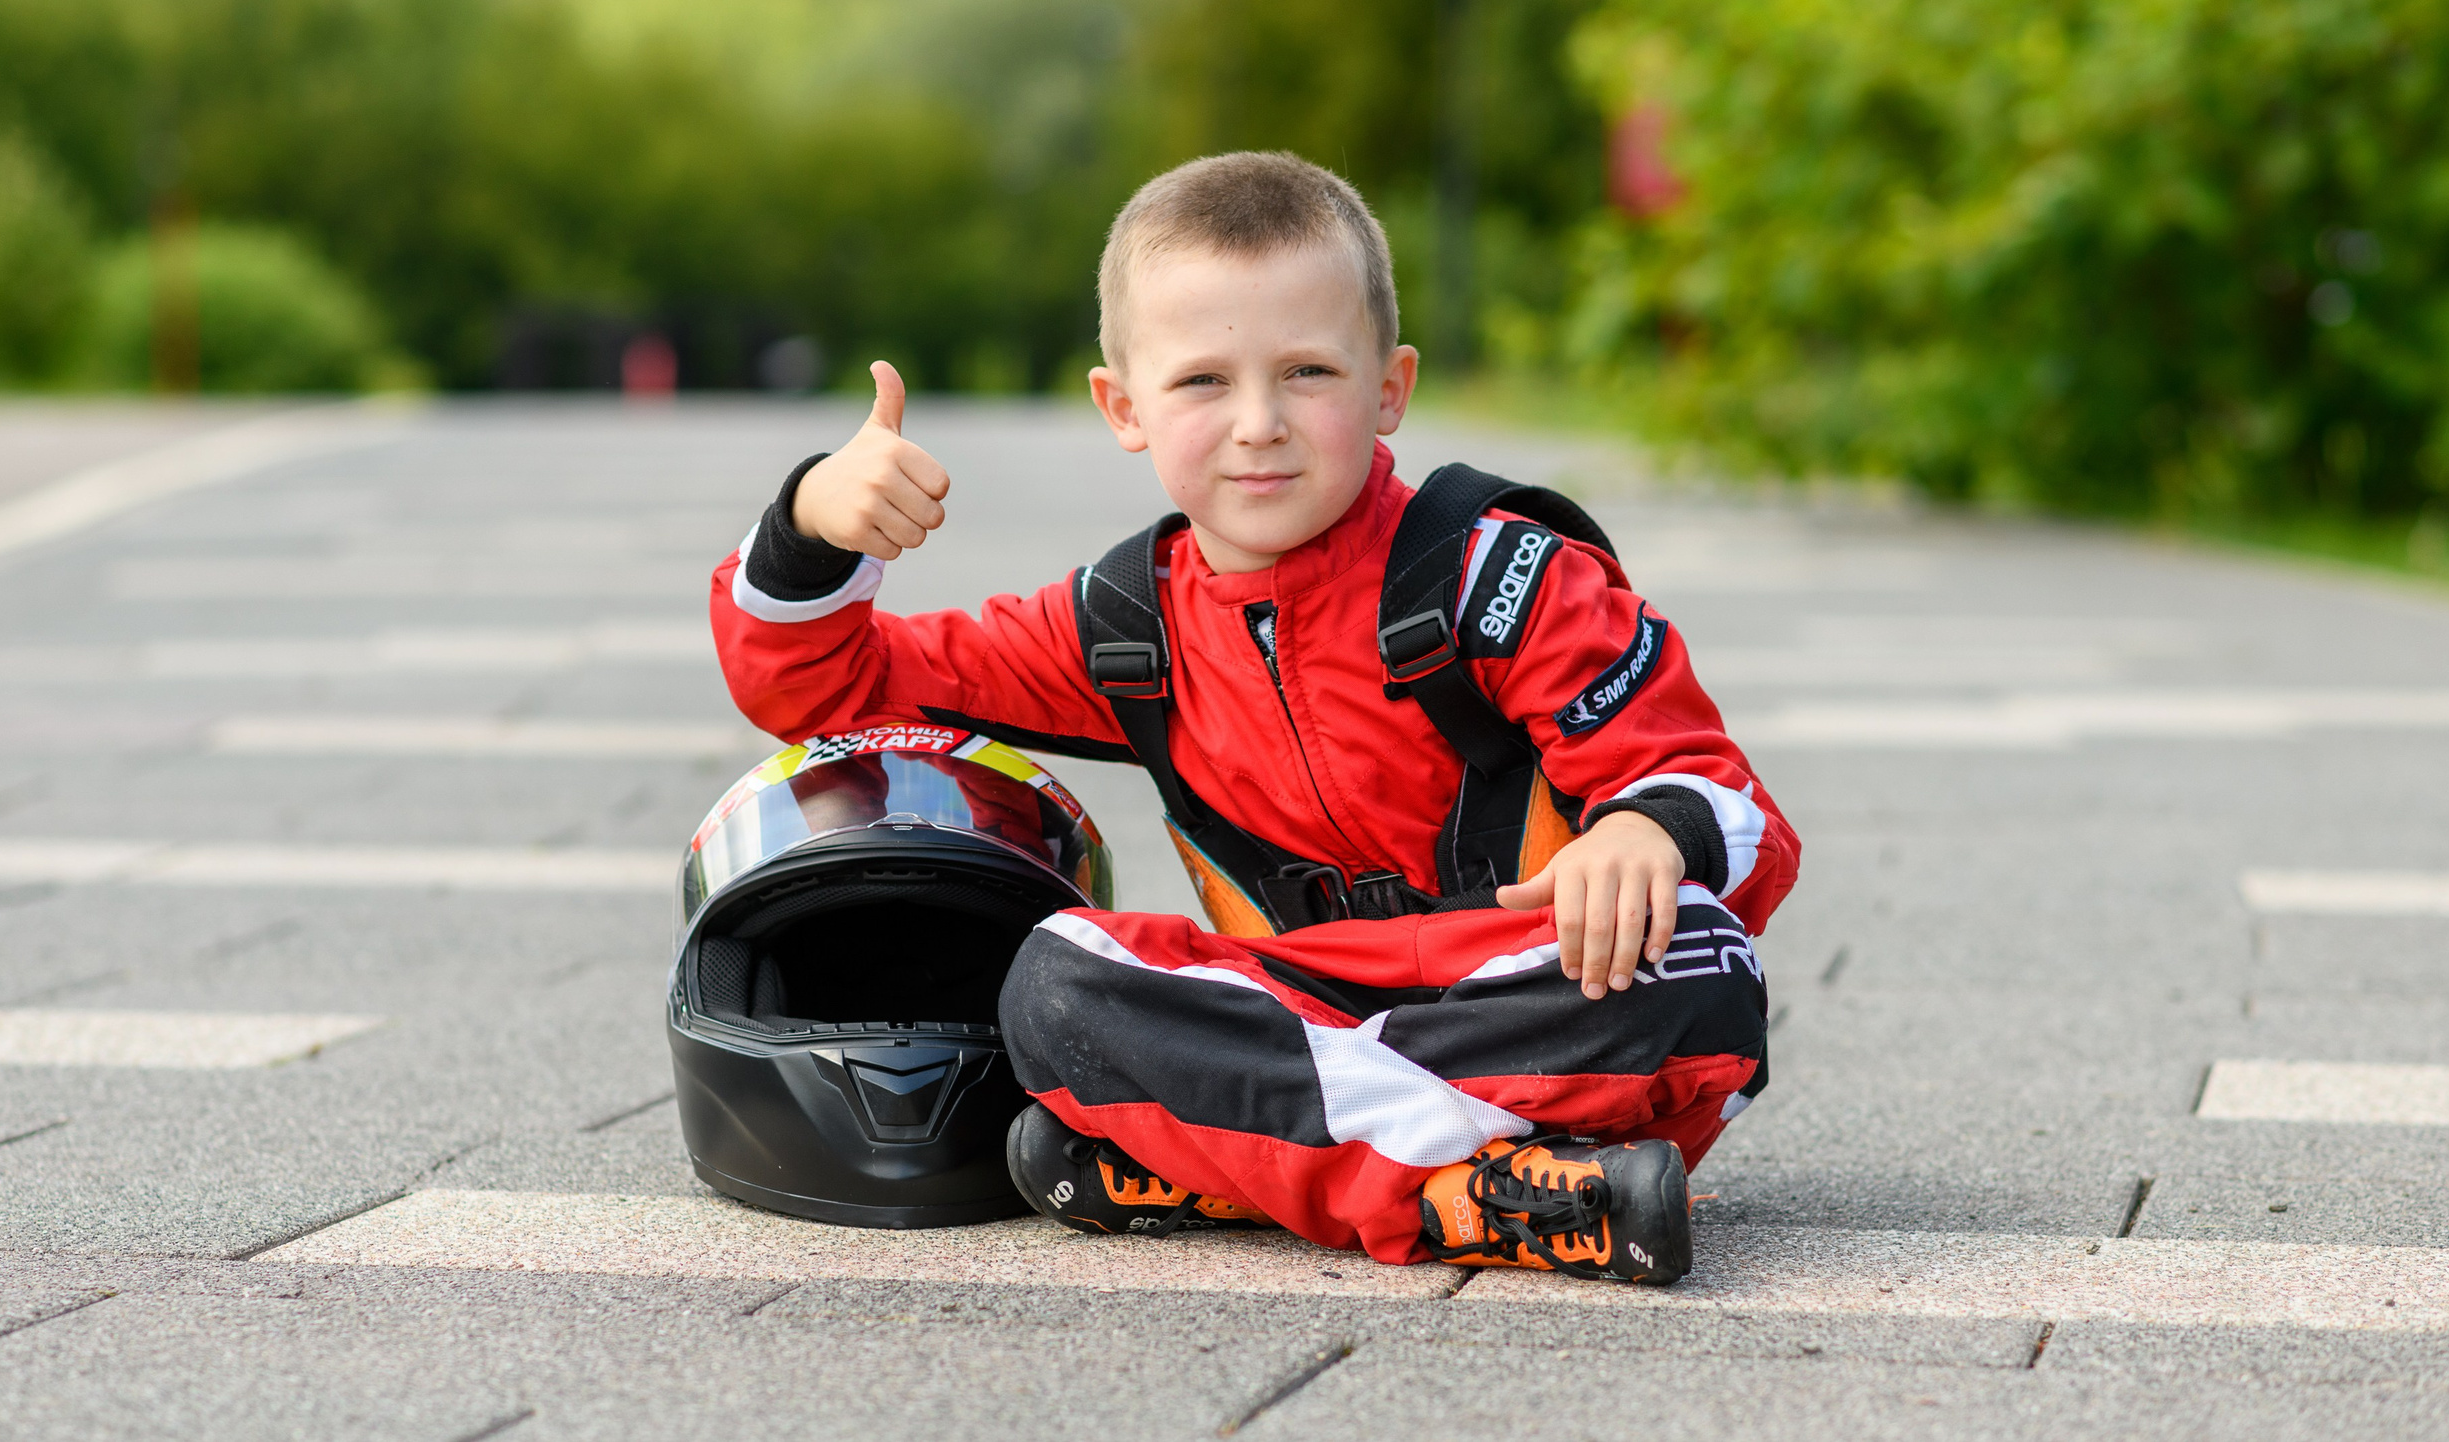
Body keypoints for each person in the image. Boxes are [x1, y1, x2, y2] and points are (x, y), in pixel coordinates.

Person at [709, 151, 1800, 1283]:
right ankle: (1472, 1189)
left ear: (1390, 386)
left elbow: (1725, 797)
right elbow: (826, 690)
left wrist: (1646, 830)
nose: (1260, 423)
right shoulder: (1121, 625)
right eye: (1202, 382)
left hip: (1514, 990)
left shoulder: (1502, 575)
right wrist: (808, 525)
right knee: (1054, 977)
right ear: (1123, 407)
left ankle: (1272, 1164)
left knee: (1706, 966)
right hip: (1300, 1001)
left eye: (1308, 371)